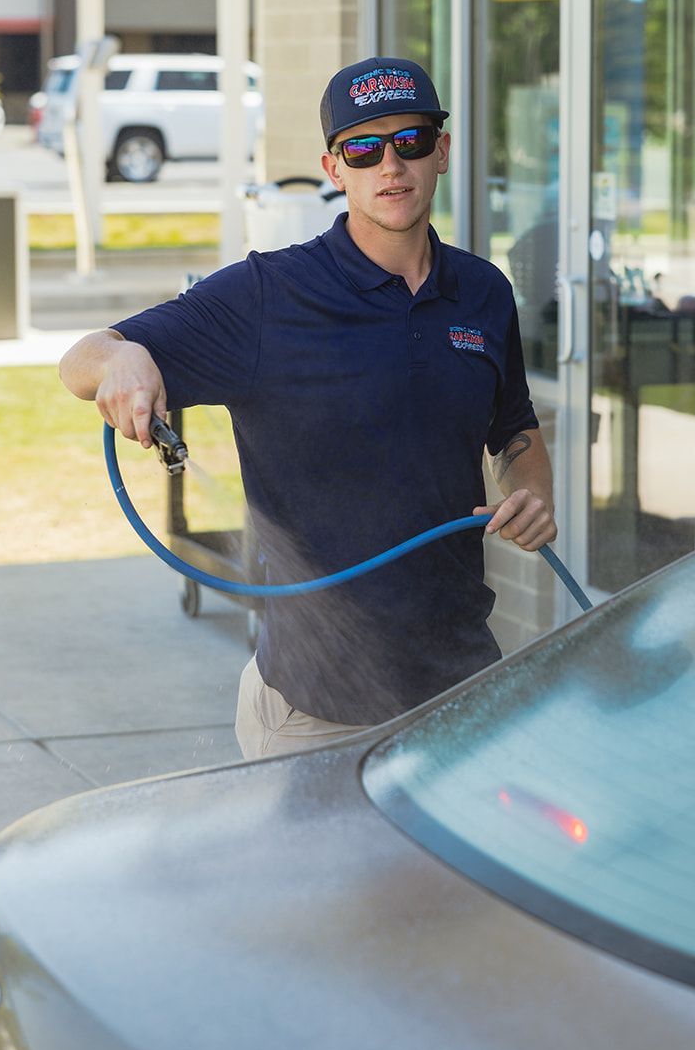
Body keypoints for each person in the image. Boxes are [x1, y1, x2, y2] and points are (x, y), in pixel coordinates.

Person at [59, 56, 556, 759]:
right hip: (315, 709)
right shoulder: (269, 297)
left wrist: (531, 490)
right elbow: (82, 359)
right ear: (333, 169)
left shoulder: (481, 292)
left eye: (410, 142)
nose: (391, 166)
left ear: (441, 151)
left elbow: (515, 432)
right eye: (364, 148)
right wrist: (122, 359)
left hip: (460, 688)